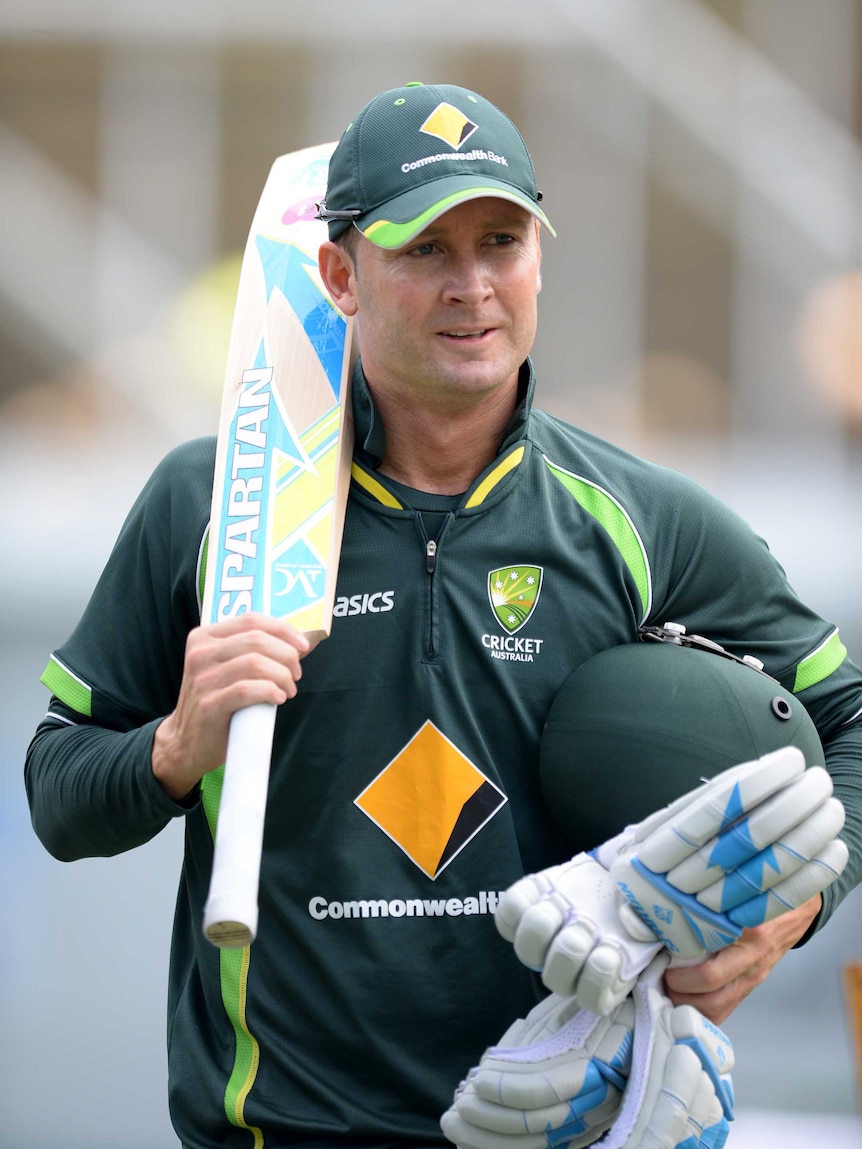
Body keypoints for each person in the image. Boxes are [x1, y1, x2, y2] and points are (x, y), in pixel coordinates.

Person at [25, 81, 862, 1149]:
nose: (472, 287)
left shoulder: (639, 518)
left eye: (501, 241)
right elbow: (59, 793)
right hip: (279, 1131)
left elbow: (849, 717)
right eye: (424, 250)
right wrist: (178, 746)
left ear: (538, 260)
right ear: (339, 275)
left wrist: (786, 917)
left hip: (556, 1121)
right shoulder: (210, 504)